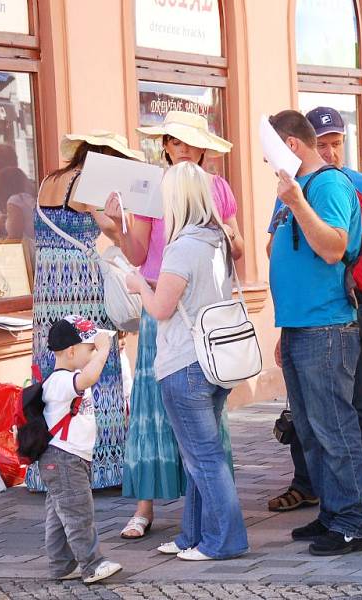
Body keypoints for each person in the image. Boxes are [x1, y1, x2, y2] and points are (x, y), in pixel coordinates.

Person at [109, 110, 244, 540]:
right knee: (153, 407)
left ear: (203, 148)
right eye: (177, 143)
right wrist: (114, 230)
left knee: (199, 411)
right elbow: (137, 253)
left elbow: (237, 248)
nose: (185, 151)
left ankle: (208, 517)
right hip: (160, 300)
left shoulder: (216, 188)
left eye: (192, 144)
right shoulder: (154, 189)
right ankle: (146, 506)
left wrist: (218, 225)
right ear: (165, 145)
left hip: (196, 308)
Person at [266, 107, 362, 516]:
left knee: (335, 427)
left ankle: (351, 519)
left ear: (290, 145)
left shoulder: (327, 185)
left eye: (270, 152)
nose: (267, 162)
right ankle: (330, 513)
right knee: (311, 429)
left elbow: (334, 247)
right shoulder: (295, 186)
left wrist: (297, 204)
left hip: (327, 324)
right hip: (301, 323)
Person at [27, 131, 136, 492]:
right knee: (95, 361)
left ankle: (47, 464)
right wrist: (124, 231)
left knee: (54, 367)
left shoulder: (49, 181)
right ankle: (103, 466)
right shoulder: (88, 182)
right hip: (79, 282)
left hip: (47, 287)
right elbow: (110, 229)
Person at [38, 316, 122, 583]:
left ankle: (62, 566)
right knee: (77, 513)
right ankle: (92, 564)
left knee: (60, 513)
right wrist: (105, 350)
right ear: (72, 351)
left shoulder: (67, 378)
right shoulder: (60, 381)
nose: (94, 353)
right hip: (64, 457)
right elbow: (88, 378)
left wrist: (101, 350)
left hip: (67, 457)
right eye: (90, 348)